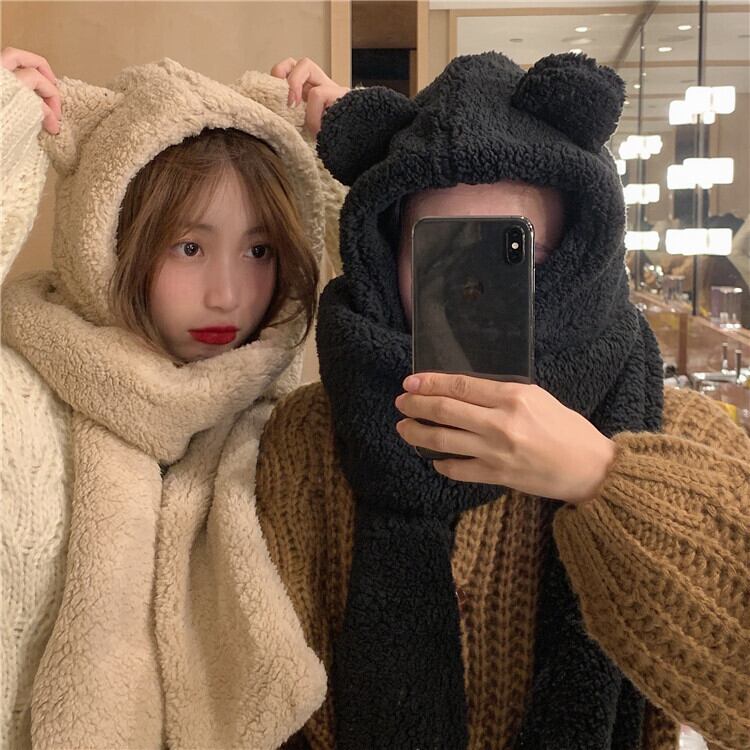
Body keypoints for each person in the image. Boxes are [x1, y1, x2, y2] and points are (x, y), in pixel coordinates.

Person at [259, 53, 750, 749]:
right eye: (442, 256)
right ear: (387, 261)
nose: (474, 293)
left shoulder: (676, 432)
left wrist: (601, 477)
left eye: (515, 253)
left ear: (578, 260)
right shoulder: (310, 436)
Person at [0, 48, 345, 749]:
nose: (227, 295)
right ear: (110, 240)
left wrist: (352, 168)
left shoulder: (299, 427)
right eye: (189, 247)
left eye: (259, 252)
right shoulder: (19, 398)